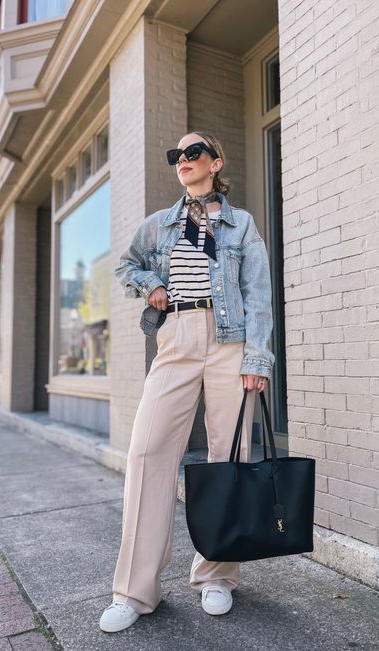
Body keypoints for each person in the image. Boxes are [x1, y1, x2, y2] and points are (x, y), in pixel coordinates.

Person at [99, 131, 275, 633]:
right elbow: (127, 264)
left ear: (216, 162)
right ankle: (134, 590)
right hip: (175, 339)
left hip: (229, 341)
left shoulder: (241, 224)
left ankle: (216, 574)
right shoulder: (159, 224)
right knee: (147, 452)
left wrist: (256, 360)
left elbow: (257, 294)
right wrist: (151, 284)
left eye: (194, 152)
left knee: (229, 454)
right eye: (177, 154)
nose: (183, 160)